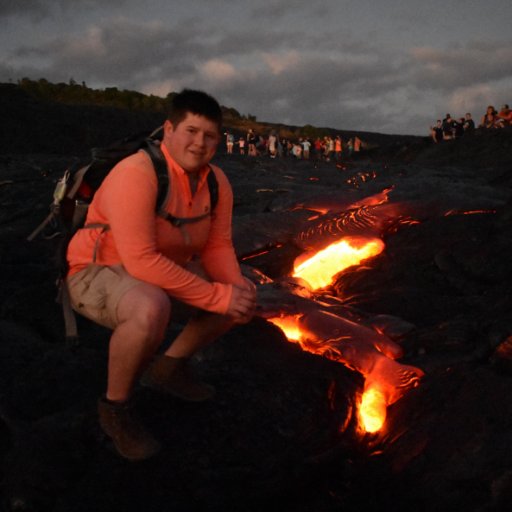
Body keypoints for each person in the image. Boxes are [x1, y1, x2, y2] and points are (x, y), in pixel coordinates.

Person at [65, 89, 257, 460]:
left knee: (241, 292)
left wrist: (233, 291)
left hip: (159, 267)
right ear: (168, 129)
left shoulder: (216, 182)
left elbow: (217, 246)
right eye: (191, 130)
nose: (199, 143)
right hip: (98, 270)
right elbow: (139, 260)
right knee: (150, 308)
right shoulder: (137, 172)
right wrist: (218, 297)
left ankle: (166, 371)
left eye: (209, 135)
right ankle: (115, 408)